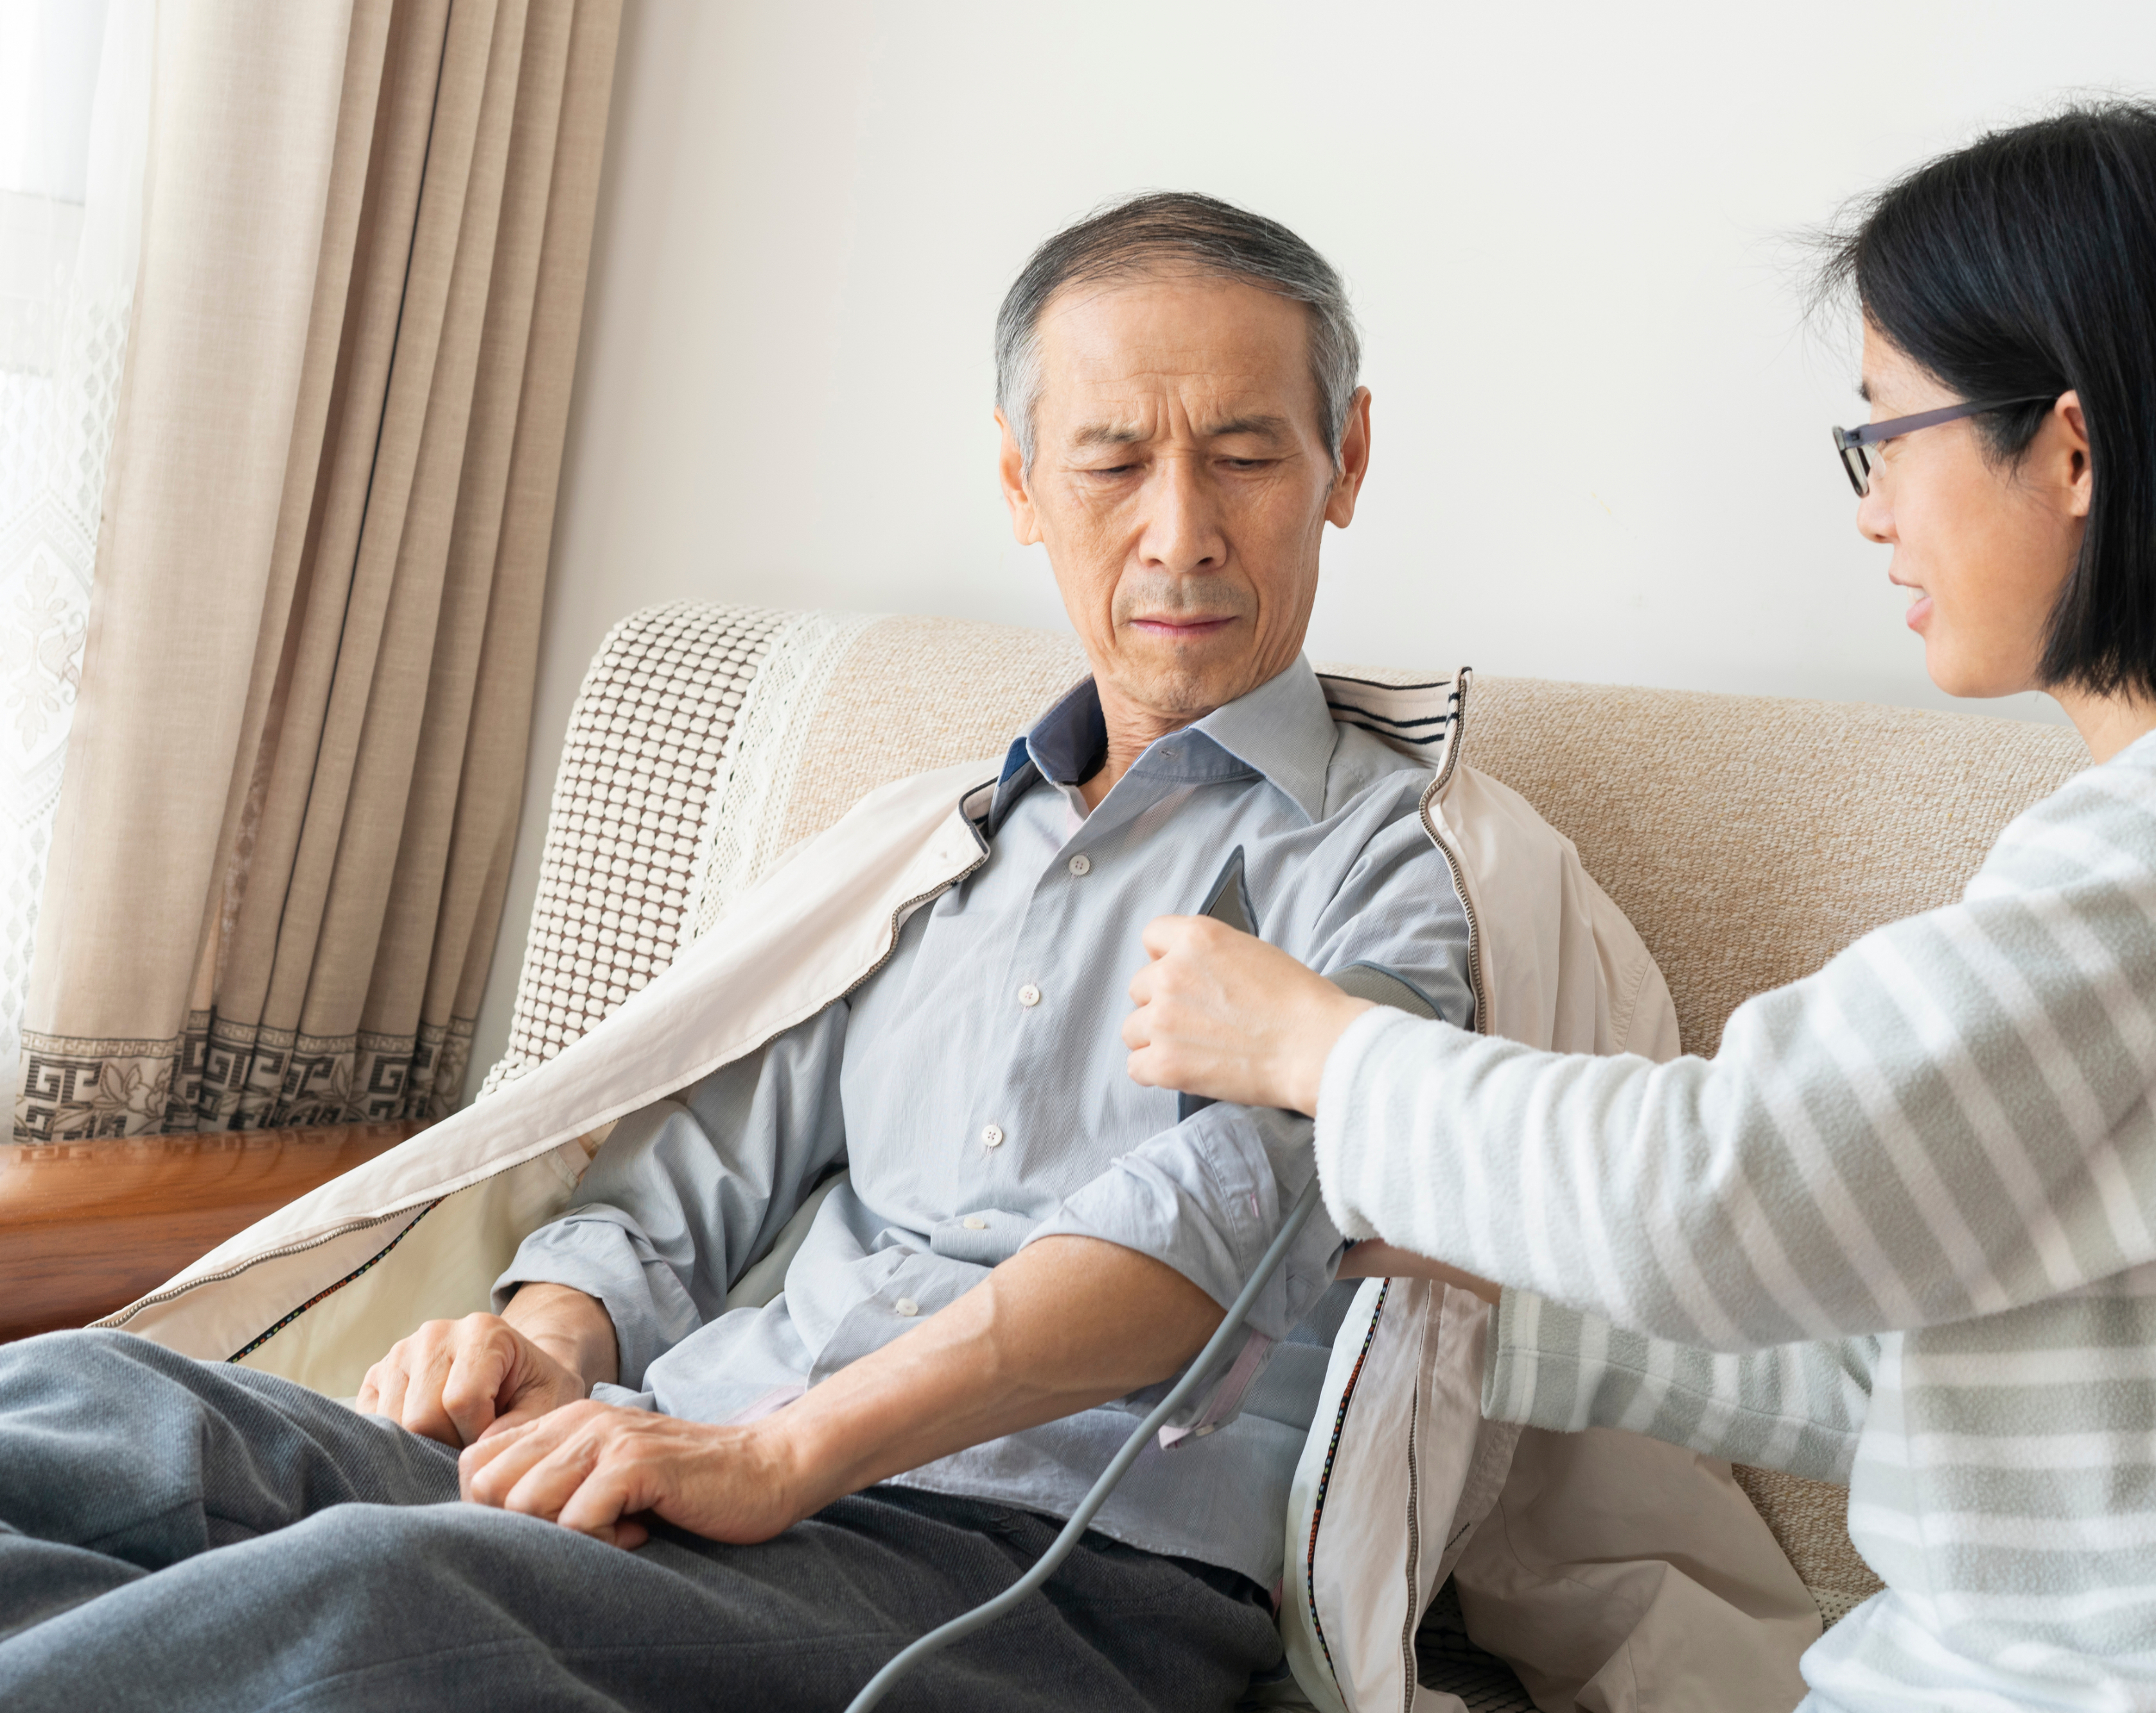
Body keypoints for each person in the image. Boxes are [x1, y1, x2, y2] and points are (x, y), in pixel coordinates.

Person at [1125, 103, 2156, 1709]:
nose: (1868, 508)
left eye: (1887, 434)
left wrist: (1323, 1049)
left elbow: (1721, 1193)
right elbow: (1920, 1373)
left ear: (2068, 447)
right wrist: (1486, 1315)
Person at [0, 193, 1478, 1712]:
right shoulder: (925, 848)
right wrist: (551, 1342)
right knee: (77, 1413)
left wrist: (784, 1452)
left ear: (1341, 460)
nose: (1180, 532)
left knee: (362, 1600)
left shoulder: (1398, 865)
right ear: (1021, 479)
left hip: (1049, 1565)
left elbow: (1215, 1229)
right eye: (1112, 460)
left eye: (1242, 456)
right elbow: (694, 1166)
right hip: (685, 1455)